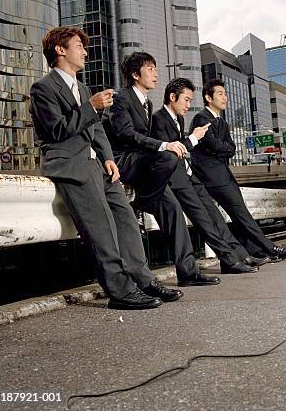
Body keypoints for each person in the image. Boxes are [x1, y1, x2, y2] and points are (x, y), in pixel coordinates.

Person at [29, 27, 181, 309]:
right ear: (60, 50)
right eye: (78, 46)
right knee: (101, 229)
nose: (85, 52)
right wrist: (91, 106)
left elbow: (97, 129)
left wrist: (108, 157)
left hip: (98, 164)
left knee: (125, 219)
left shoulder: (83, 88)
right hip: (71, 165)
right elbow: (56, 130)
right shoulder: (43, 88)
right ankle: (120, 291)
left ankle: (143, 279)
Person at [106, 52, 220, 288]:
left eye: (155, 68)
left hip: (145, 166)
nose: (156, 73)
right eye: (150, 69)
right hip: (124, 160)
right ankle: (146, 201)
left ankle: (188, 272)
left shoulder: (146, 102)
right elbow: (125, 134)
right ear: (135, 74)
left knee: (174, 210)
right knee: (169, 157)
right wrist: (163, 145)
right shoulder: (121, 99)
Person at [151, 77, 265, 273]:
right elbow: (170, 152)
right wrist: (193, 138)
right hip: (175, 179)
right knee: (205, 222)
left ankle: (240, 256)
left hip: (189, 175)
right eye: (186, 100)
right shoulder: (158, 119)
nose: (189, 104)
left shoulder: (178, 118)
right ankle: (229, 261)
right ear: (172, 97)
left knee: (216, 218)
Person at [189, 80, 286, 261]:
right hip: (211, 177)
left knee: (238, 214)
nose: (225, 97)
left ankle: (255, 251)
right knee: (241, 213)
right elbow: (211, 143)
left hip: (223, 174)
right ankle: (270, 248)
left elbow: (231, 148)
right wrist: (219, 148)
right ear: (208, 97)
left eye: (225, 93)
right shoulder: (201, 118)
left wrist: (218, 148)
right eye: (220, 93)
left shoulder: (222, 122)